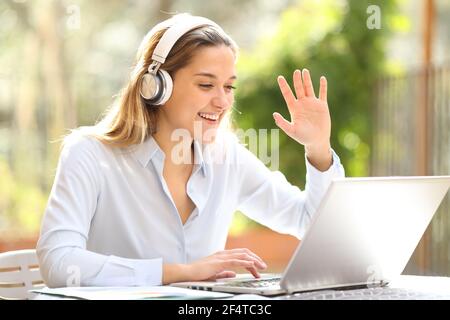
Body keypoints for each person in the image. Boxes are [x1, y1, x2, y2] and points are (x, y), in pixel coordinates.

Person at [37, 13, 345, 288]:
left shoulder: (228, 159)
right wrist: (180, 272)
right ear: (155, 85)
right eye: (206, 85)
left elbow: (309, 223)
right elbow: (60, 264)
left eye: (228, 87)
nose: (223, 102)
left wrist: (318, 148)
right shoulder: (90, 155)